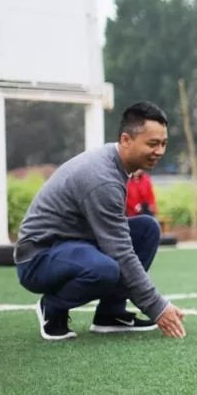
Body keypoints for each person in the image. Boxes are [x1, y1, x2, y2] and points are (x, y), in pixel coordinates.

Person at [13, 101, 187, 341]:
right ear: (126, 140)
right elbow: (120, 251)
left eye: (163, 143)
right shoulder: (101, 178)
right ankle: (52, 308)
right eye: (152, 143)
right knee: (105, 269)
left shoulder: (115, 163)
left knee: (147, 229)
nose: (159, 151)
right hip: (38, 257)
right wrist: (157, 307)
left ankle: (111, 314)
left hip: (73, 244)